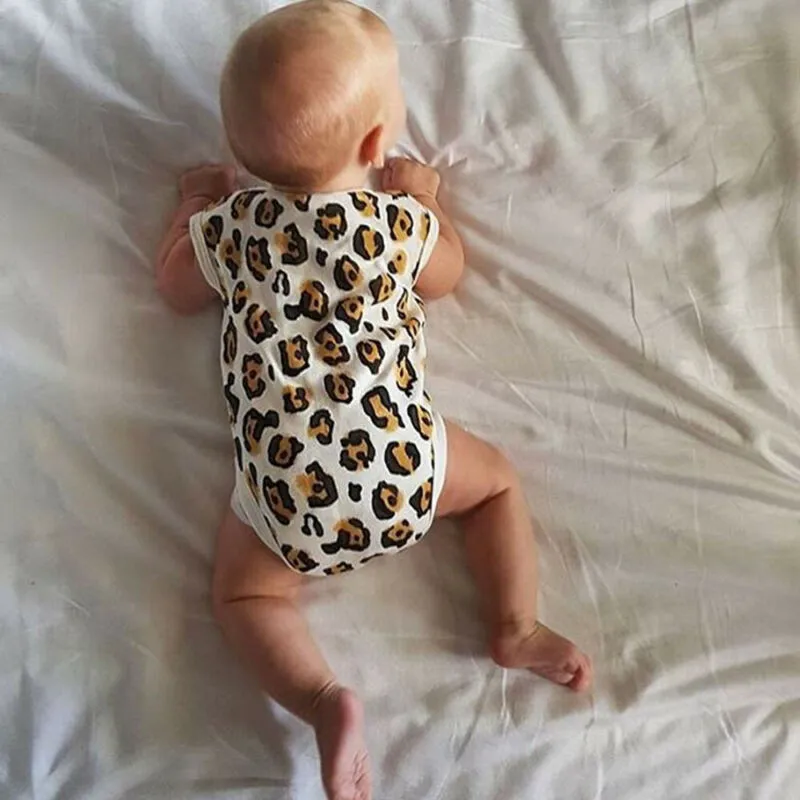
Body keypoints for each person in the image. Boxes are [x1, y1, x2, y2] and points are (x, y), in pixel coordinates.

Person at [156, 3, 592, 798]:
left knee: (245, 595)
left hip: (286, 501)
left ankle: (323, 700)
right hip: (405, 464)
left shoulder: (232, 229)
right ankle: (515, 626)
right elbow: (447, 275)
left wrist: (192, 208)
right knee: (495, 484)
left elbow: (175, 288)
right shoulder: (392, 227)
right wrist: (427, 202)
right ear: (373, 145)